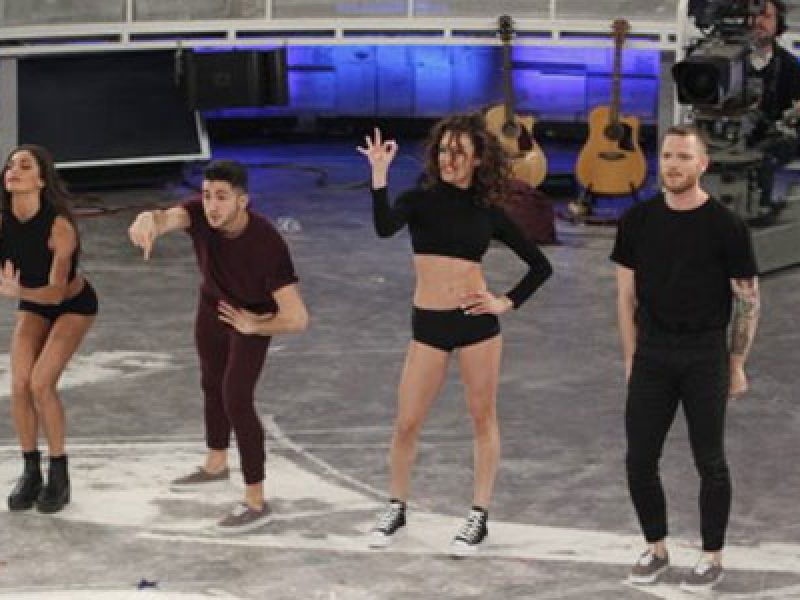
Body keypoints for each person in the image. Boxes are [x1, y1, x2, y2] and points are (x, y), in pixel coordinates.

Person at [357, 113, 552, 556]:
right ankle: (395, 506)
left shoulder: (489, 211)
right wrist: (379, 176)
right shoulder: (418, 199)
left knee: (482, 418)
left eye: (459, 152)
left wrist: (505, 301)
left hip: (475, 326)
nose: (449, 159)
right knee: (407, 422)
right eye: (444, 150)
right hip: (428, 325)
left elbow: (540, 266)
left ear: (478, 158)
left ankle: (478, 515)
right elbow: (385, 227)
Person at [612, 126, 760, 591]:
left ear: (703, 165)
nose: (673, 165)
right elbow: (625, 297)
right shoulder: (637, 221)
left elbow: (748, 300)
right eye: (667, 156)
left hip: (705, 354)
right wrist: (631, 357)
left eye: (683, 157)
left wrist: (736, 363)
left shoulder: (726, 226)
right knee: (639, 459)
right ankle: (656, 549)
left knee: (710, 461)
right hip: (652, 353)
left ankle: (712, 556)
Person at [128, 160, 309, 532]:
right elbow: (168, 218)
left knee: (236, 397)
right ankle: (216, 463)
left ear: (243, 201)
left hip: (252, 315)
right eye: (207, 195)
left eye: (222, 197)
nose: (212, 205)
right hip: (213, 305)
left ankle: (255, 500)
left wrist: (255, 325)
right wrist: (148, 220)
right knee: (211, 382)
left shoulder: (266, 244)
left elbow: (297, 318)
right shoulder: (199, 214)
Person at [0, 144, 98, 514]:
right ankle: (31, 472)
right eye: (10, 165)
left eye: (24, 166)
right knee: (19, 385)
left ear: (42, 180)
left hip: (72, 305)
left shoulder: (59, 227)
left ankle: (59, 474)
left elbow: (56, 293)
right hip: (33, 304)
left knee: (41, 383)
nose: (13, 171)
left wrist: (17, 292)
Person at [748, 0, 800, 213]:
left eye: (767, 16)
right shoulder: (727, 63)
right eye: (754, 16)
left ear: (779, 22)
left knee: (765, 154)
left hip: (774, 135)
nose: (759, 22)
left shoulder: (789, 65)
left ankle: (761, 209)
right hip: (728, 134)